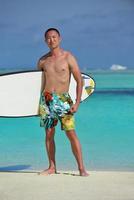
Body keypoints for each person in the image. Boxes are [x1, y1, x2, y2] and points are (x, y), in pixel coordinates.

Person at [37, 28, 89, 176]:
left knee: (71, 133)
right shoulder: (42, 61)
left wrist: (77, 103)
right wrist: (36, 106)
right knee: (48, 134)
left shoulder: (68, 57)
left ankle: (81, 168)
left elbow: (80, 81)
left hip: (63, 100)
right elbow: (37, 84)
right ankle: (52, 167)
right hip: (46, 100)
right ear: (45, 40)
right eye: (48, 38)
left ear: (59, 39)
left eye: (54, 37)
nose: (51, 40)